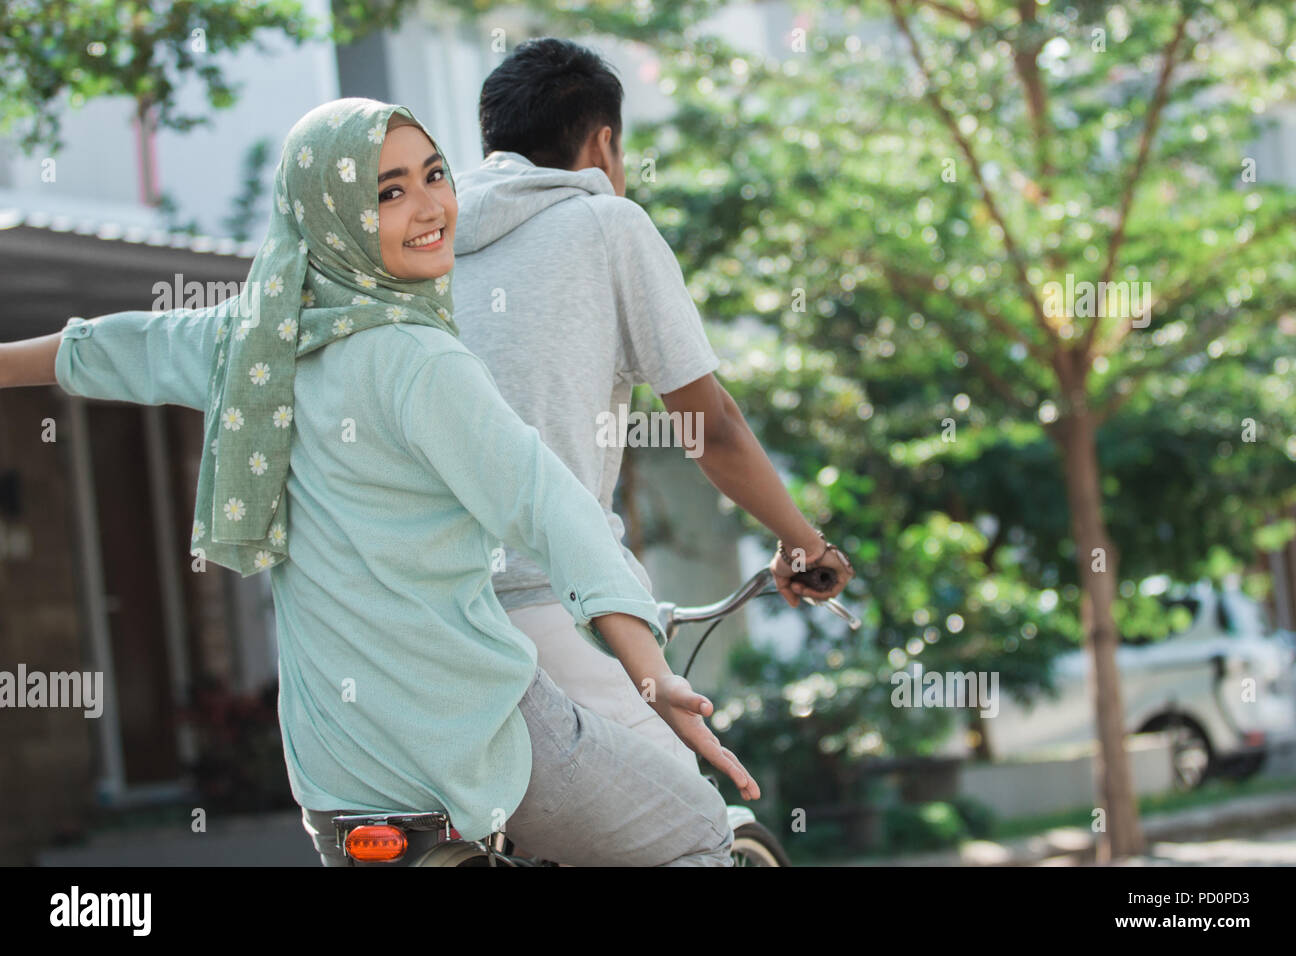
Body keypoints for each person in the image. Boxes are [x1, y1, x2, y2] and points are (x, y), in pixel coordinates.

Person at [0, 97, 756, 866]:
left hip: (341, 774)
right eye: (387, 192)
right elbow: (551, 509)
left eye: (434, 174)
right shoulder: (418, 360)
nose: (430, 207)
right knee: (697, 827)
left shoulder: (251, 342)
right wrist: (652, 675)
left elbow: (108, 346)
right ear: (333, 216)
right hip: (478, 737)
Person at [453, 38, 856, 768]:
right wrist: (804, 544)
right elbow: (713, 428)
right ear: (604, 141)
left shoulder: (423, 243)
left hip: (419, 614)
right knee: (690, 827)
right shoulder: (608, 223)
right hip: (556, 599)